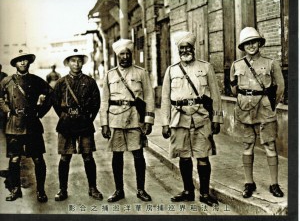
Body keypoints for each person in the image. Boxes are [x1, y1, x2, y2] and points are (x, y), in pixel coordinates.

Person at [161, 31, 223, 207]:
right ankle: (188, 191)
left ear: (193, 48)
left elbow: (216, 96)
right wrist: (165, 123)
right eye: (182, 47)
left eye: (188, 47)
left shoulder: (206, 67)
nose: (185, 50)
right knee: (184, 157)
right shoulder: (171, 70)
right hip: (179, 119)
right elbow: (165, 98)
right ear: (178, 50)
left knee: (203, 156)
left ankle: (204, 193)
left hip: (201, 118)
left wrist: (217, 119)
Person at [230, 27, 285, 198]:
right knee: (247, 145)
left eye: (254, 42)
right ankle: (249, 182)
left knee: (269, 144)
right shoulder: (236, 65)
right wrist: (244, 100)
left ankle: (274, 184)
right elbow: (233, 89)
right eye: (247, 43)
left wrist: (270, 104)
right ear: (243, 46)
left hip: (265, 108)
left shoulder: (271, 63)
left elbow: (280, 88)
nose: (251, 46)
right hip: (245, 109)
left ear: (259, 43)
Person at [100, 39, 155, 202]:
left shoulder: (140, 73)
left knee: (138, 154)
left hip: (135, 119)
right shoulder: (110, 74)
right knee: (117, 156)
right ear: (117, 56)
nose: (125, 57)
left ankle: (141, 189)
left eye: (127, 54)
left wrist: (149, 120)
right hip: (115, 119)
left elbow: (149, 97)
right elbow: (104, 100)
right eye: (122, 54)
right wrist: (104, 123)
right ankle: (119, 190)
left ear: (132, 55)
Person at [0, 49, 53, 202]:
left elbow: (51, 95)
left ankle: (41, 191)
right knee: (14, 159)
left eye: (25, 60)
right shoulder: (6, 81)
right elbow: (0, 99)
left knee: (38, 159)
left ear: (29, 62)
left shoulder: (36, 80)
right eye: (19, 60)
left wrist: (40, 112)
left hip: (32, 125)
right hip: (14, 125)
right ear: (14, 63)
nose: (22, 62)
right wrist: (7, 111)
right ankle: (16, 189)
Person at [52, 48, 103, 201]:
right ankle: (62, 190)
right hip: (66, 124)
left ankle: (92, 188)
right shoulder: (61, 83)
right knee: (65, 157)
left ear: (82, 63)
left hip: (84, 122)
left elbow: (96, 104)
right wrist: (64, 115)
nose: (76, 63)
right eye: (73, 60)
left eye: (79, 60)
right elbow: (55, 103)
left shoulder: (89, 82)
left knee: (88, 156)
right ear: (68, 63)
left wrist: (88, 118)